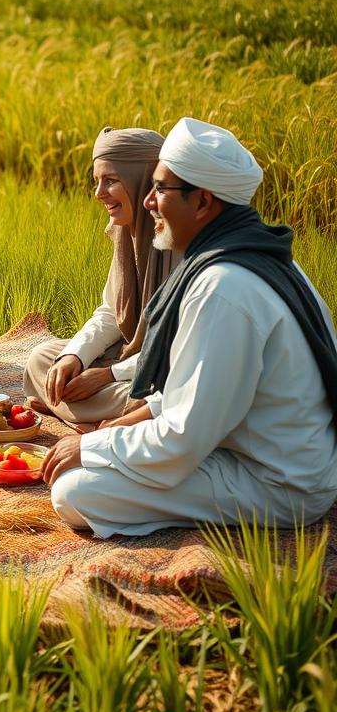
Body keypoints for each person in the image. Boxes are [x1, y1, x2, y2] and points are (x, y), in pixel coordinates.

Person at [41, 118, 337, 538]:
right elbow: (200, 384)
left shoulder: (222, 288)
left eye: (161, 189)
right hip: (262, 450)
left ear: (201, 202)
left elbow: (179, 442)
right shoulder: (253, 258)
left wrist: (89, 446)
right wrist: (125, 424)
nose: (148, 201)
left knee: (74, 491)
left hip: (278, 482)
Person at [24, 127, 177, 428]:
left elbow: (178, 352)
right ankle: (97, 418)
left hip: (166, 369)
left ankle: (78, 412)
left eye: (110, 181)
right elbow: (111, 312)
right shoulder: (125, 231)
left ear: (141, 182)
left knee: (157, 399)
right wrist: (75, 358)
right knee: (42, 358)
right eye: (97, 181)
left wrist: (107, 376)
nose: (98, 194)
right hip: (129, 356)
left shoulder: (181, 243)